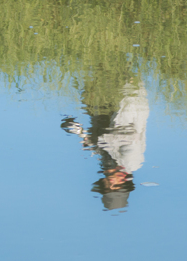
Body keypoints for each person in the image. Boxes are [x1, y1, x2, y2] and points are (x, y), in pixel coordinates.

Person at [62, 80, 149, 211]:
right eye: (110, 187)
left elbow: (104, 145)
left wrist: (81, 134)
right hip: (127, 99)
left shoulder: (109, 164)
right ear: (122, 183)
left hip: (106, 106)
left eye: (104, 186)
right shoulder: (132, 161)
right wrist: (96, 141)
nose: (105, 182)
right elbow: (129, 136)